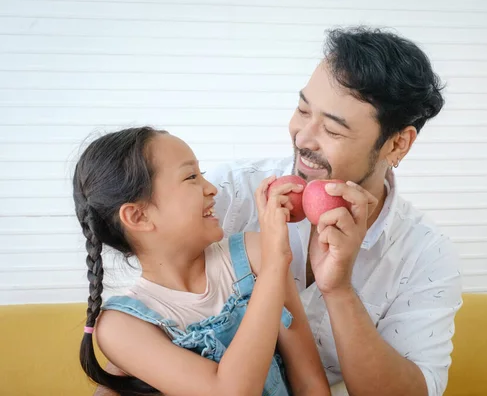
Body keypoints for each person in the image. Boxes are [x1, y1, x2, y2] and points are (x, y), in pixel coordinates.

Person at [205, 26, 463, 396]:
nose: (303, 138)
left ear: (397, 144)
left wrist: (339, 291)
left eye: (333, 130)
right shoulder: (231, 193)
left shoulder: (425, 253)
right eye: (302, 109)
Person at [73, 127, 330, 395]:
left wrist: (272, 258)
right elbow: (230, 391)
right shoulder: (119, 327)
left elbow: (310, 383)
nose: (211, 189)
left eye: (202, 174)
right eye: (191, 177)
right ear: (138, 217)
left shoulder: (255, 255)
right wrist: (276, 260)